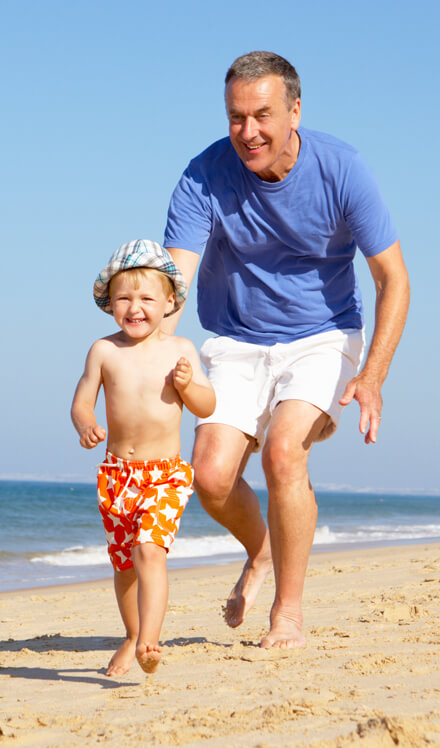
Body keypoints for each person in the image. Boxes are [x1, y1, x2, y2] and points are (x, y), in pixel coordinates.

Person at [162, 51, 410, 649]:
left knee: (281, 454)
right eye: (236, 117)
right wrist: (143, 356)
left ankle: (288, 616)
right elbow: (174, 282)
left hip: (322, 336)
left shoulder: (342, 169)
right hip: (236, 339)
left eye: (263, 116)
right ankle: (264, 549)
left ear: (295, 111)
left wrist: (373, 375)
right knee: (212, 477)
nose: (248, 132)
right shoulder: (204, 175)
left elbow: (393, 280)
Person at [71, 239, 216, 675]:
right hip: (116, 475)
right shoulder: (103, 350)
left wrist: (189, 386)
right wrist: (85, 424)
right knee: (124, 565)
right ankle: (132, 634)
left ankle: (150, 641)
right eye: (124, 298)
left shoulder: (181, 351)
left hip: (164, 475)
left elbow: (207, 407)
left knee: (150, 550)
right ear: (110, 303)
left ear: (170, 302)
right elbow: (80, 402)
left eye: (147, 298)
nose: (135, 307)